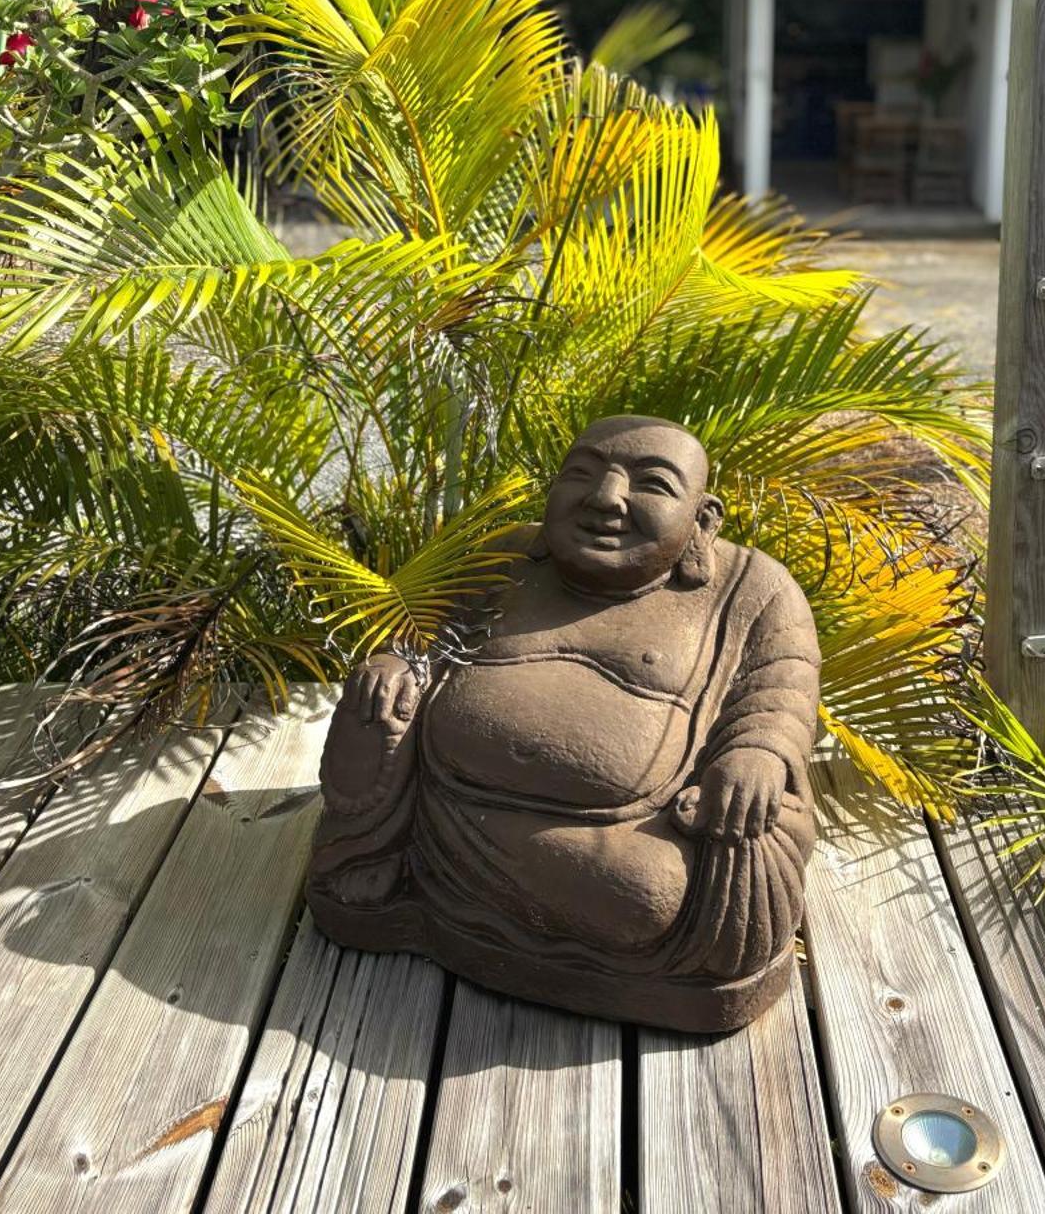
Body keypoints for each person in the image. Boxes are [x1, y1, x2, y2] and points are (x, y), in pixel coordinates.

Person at [307, 414, 821, 1031]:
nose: (606, 499)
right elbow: (427, 631)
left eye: (651, 485)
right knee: (372, 708)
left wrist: (758, 754)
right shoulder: (505, 557)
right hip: (444, 807)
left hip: (628, 834)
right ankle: (386, 861)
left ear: (703, 520)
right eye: (581, 476)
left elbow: (781, 687)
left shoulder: (753, 588)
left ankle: (552, 912)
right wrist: (396, 663)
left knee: (665, 884)